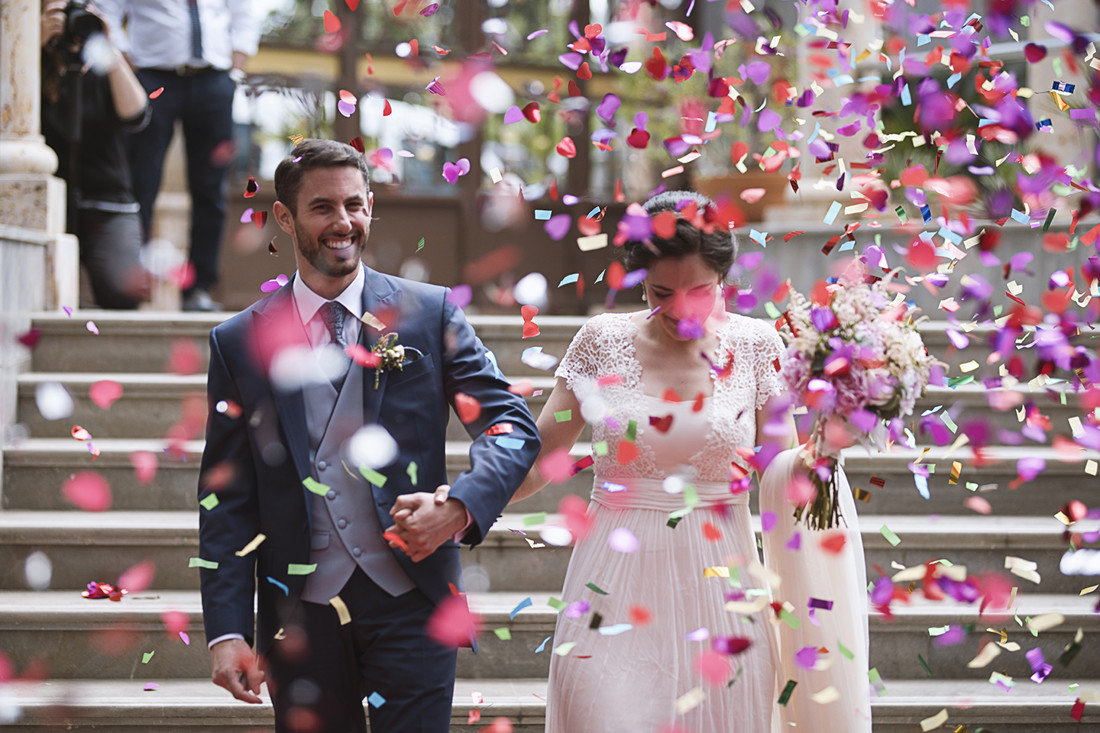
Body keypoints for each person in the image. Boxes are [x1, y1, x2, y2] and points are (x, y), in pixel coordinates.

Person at [196, 138, 539, 733]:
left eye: (354, 205)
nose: (343, 222)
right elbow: (225, 497)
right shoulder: (238, 341)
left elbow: (509, 425)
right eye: (322, 207)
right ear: (285, 217)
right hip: (298, 614)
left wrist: (458, 507)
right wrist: (226, 631)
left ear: (371, 206)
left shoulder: (430, 313)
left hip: (413, 599)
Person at [510, 191, 870, 732]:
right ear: (640, 280)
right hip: (611, 584)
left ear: (723, 278)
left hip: (721, 585)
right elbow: (539, 461)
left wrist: (826, 445)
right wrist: (462, 505)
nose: (680, 309)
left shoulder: (757, 345)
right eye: (662, 292)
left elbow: (780, 473)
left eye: (699, 291)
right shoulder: (600, 341)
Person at [96, 0, 259, 312]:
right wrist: (126, 62)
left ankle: (199, 289)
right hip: (152, 78)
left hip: (214, 80)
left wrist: (235, 70)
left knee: (210, 190)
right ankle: (133, 286)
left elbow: (243, 14)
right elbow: (107, 11)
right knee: (141, 183)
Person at [40, 0, 152, 309]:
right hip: (48, 202)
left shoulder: (101, 66)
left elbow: (136, 115)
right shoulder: (27, 70)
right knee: (34, 294)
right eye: (59, 14)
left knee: (124, 293)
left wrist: (108, 47)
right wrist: (35, 43)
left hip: (108, 204)